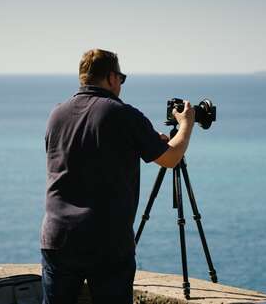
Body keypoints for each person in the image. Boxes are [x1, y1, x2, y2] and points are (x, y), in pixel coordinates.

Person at [40, 49, 195, 304]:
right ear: (112, 77)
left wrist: (135, 143)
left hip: (58, 237)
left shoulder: (56, 114)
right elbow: (170, 158)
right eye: (121, 79)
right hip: (107, 241)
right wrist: (186, 124)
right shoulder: (123, 114)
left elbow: (79, 152)